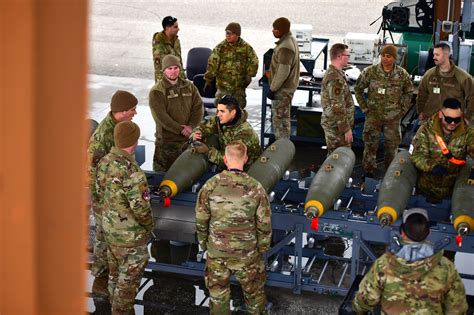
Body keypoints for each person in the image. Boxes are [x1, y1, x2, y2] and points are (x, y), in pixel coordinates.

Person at [196, 141, 272, 314]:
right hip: (247, 254)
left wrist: (204, 245)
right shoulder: (256, 188)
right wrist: (262, 248)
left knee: (218, 298)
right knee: (254, 296)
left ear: (225, 159)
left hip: (217, 253)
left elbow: (201, 220)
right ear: (245, 159)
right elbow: (264, 223)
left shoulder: (210, 186)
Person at [353, 208, 468, 314]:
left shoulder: (383, 265)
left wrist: (358, 310)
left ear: (402, 232)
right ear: (429, 232)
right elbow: (457, 308)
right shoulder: (446, 268)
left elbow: (367, 299)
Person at [96, 121, 154, 314]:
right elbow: (141, 209)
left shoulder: (104, 162)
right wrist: (148, 227)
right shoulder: (132, 171)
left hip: (110, 232)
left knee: (114, 276)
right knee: (127, 286)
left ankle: (115, 307)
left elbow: (98, 193)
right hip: (130, 238)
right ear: (134, 142)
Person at [87, 90, 138, 297]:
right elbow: (91, 172)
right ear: (122, 111)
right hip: (104, 196)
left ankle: (105, 272)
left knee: (106, 233)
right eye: (132, 110)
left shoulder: (118, 128)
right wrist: (103, 199)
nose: (135, 113)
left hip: (113, 192)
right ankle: (101, 275)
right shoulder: (102, 138)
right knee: (103, 233)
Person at [355, 44, 414, 177]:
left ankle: (389, 174)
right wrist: (365, 108)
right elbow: (358, 89)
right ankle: (368, 172)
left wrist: (402, 110)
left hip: (393, 118)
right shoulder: (370, 72)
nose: (385, 59)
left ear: (394, 58)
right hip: (373, 117)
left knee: (391, 147)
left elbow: (409, 92)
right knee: (370, 146)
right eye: (383, 56)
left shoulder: (401, 74)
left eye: (389, 56)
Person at [410, 98, 474, 203]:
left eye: (457, 119)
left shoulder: (468, 132)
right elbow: (416, 155)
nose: (453, 123)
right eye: (448, 119)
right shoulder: (426, 130)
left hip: (453, 192)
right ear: (440, 114)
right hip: (425, 189)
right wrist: (432, 166)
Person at [149, 54, 204, 171]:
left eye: (176, 68)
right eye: (169, 69)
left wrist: (192, 126)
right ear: (164, 71)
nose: (173, 72)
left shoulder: (189, 87)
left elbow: (198, 107)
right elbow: (161, 117)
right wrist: (181, 130)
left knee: (185, 175)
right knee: (162, 178)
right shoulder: (157, 91)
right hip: (166, 144)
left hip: (187, 142)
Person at [191, 95, 262, 171]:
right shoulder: (221, 119)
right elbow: (203, 127)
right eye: (218, 110)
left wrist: (208, 151)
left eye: (222, 111)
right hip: (227, 164)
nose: (218, 114)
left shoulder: (245, 133)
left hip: (244, 171)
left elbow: (232, 160)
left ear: (233, 112)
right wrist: (196, 133)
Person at [203, 22, 259, 109]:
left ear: (237, 35)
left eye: (230, 33)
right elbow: (212, 64)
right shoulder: (220, 48)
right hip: (223, 89)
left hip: (238, 89)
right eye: (226, 33)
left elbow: (254, 61)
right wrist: (208, 79)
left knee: (238, 114)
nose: (227, 36)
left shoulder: (246, 48)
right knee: (222, 115)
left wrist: (249, 75)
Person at [416, 42, 473, 124]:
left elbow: (472, 98)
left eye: (437, 55)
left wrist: (468, 117)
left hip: (452, 123)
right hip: (431, 121)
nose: (434, 57)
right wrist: (420, 111)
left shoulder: (463, 78)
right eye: (434, 55)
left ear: (446, 55)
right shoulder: (429, 75)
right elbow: (422, 94)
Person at [266, 17, 300, 139]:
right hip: (286, 89)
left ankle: (282, 149)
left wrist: (273, 89)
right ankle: (284, 147)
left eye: (275, 29)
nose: (273, 31)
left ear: (282, 30)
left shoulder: (285, 47)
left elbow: (283, 71)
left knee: (280, 123)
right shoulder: (290, 40)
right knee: (284, 120)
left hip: (282, 90)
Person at [321, 43, 355, 154]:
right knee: (338, 158)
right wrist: (346, 129)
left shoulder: (336, 74)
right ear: (340, 57)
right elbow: (337, 106)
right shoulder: (335, 79)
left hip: (337, 125)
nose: (349, 58)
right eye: (347, 56)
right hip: (336, 127)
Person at [152, 15, 185, 82]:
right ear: (167, 28)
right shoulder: (159, 44)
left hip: (178, 79)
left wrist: (183, 78)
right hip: (166, 83)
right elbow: (163, 68)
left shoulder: (176, 41)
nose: (178, 29)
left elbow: (179, 62)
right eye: (175, 27)